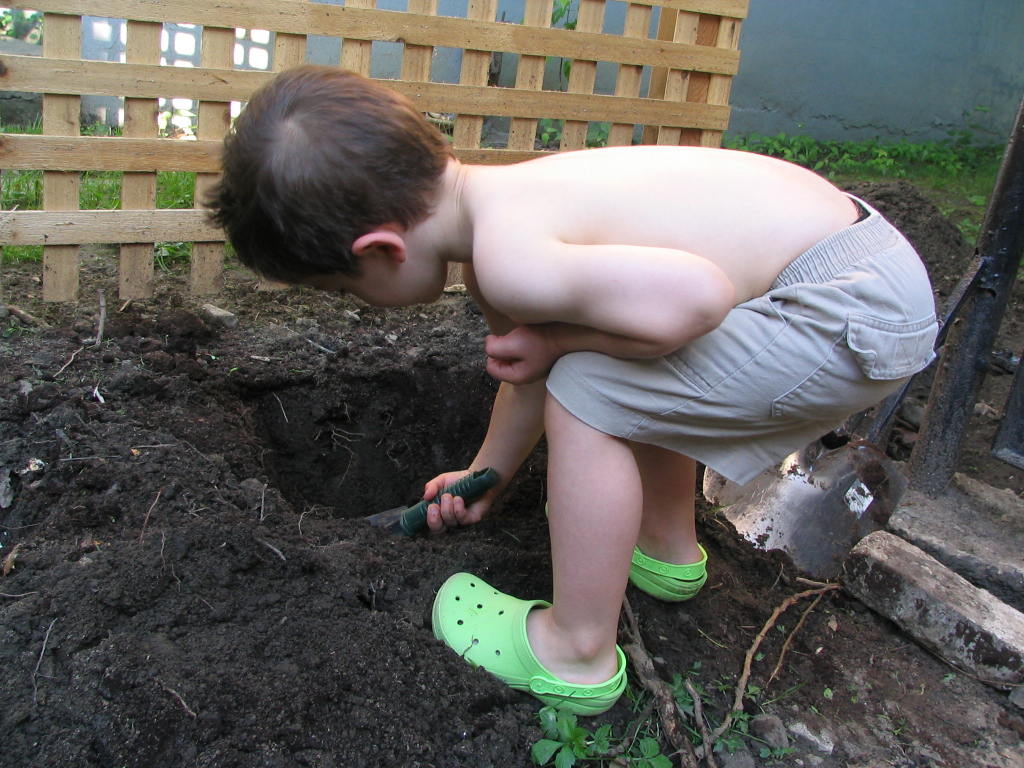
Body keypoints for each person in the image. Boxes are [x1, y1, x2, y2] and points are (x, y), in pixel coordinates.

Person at [207, 65, 938, 715]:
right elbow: (527, 375)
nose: (358, 302)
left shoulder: (512, 260)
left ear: (380, 250)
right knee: (621, 365)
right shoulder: (507, 207)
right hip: (863, 264)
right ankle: (666, 548)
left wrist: (560, 345)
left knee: (590, 386)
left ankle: (575, 648)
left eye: (345, 288)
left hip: (840, 311)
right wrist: (485, 473)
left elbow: (698, 301)